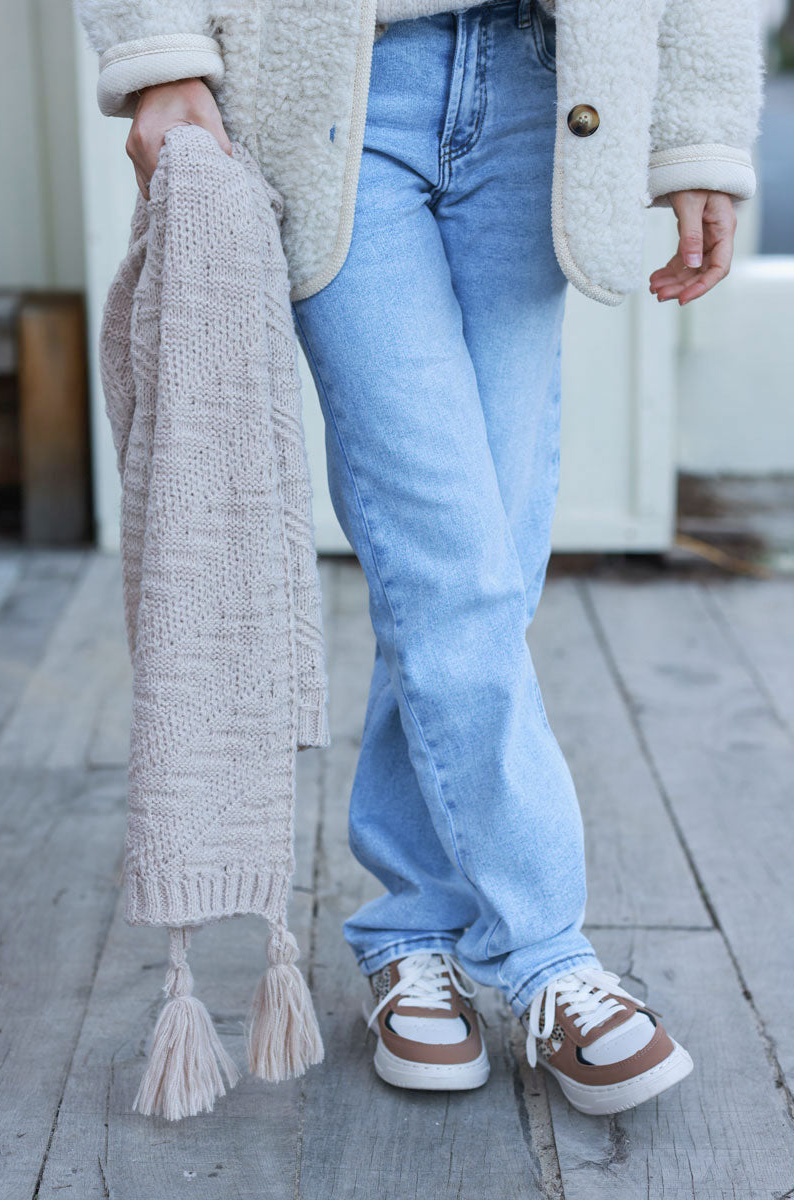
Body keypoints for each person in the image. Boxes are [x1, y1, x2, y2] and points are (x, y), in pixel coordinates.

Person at [78, 0, 763, 1116]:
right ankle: (546, 952)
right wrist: (155, 60)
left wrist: (696, 127)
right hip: (332, 85)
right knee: (449, 561)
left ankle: (410, 933)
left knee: (481, 566)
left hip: (547, 92)